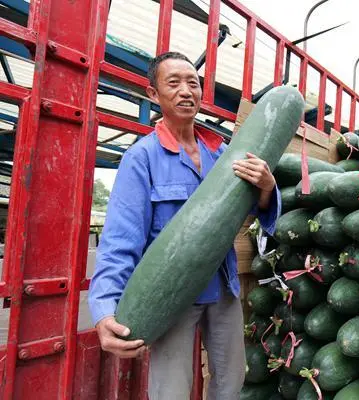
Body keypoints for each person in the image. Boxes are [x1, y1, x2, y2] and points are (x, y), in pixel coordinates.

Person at [88, 51, 281, 400]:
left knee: (231, 382)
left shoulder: (224, 154)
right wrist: (104, 310)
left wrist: (267, 187)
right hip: (171, 293)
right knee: (171, 390)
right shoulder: (141, 158)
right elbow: (119, 240)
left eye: (192, 83)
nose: (185, 91)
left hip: (223, 288)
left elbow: (257, 211)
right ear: (153, 94)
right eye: (173, 83)